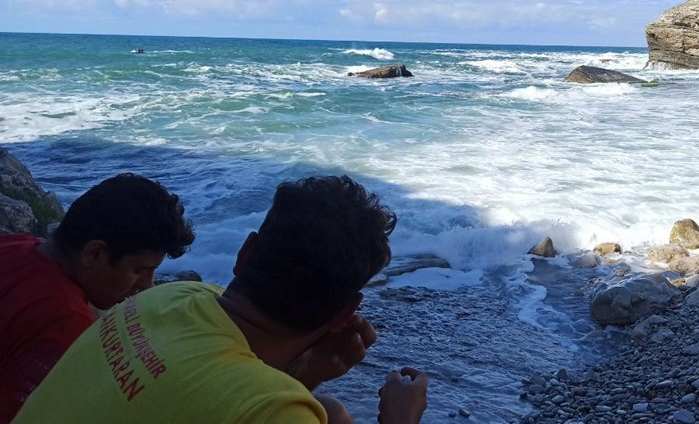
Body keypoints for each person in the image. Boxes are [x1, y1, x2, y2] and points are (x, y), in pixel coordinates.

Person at [15, 175, 428, 424]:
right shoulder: (274, 412)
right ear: (345, 312)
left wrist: (305, 370)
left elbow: (212, 386)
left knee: (331, 413)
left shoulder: (171, 298)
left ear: (244, 254)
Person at [0, 173, 195, 424]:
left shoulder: (17, 245)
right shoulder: (65, 321)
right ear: (94, 254)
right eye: (139, 270)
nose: (147, 286)